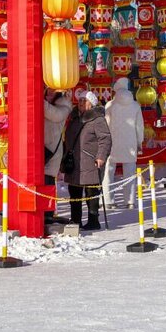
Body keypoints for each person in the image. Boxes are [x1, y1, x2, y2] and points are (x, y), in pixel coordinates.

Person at [67, 91, 112, 230]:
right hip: (74, 162)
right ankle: (75, 220)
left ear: (91, 103)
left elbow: (105, 139)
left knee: (91, 192)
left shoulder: (97, 119)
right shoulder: (74, 118)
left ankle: (93, 220)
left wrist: (101, 156)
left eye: (84, 100)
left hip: (90, 161)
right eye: (80, 100)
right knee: (74, 191)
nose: (81, 102)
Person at [104, 77, 144, 209]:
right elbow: (139, 126)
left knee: (108, 172)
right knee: (130, 173)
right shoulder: (135, 106)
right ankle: (130, 200)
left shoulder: (110, 105)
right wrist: (139, 141)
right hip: (130, 143)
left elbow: (106, 124)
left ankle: (108, 200)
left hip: (112, 143)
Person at [42, 89, 73, 223]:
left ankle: (48, 212)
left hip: (51, 151)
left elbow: (52, 114)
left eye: (53, 91)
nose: (50, 93)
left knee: (48, 182)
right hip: (42, 148)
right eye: (48, 90)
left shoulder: (64, 106)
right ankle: (43, 211)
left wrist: (36, 98)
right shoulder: (49, 104)